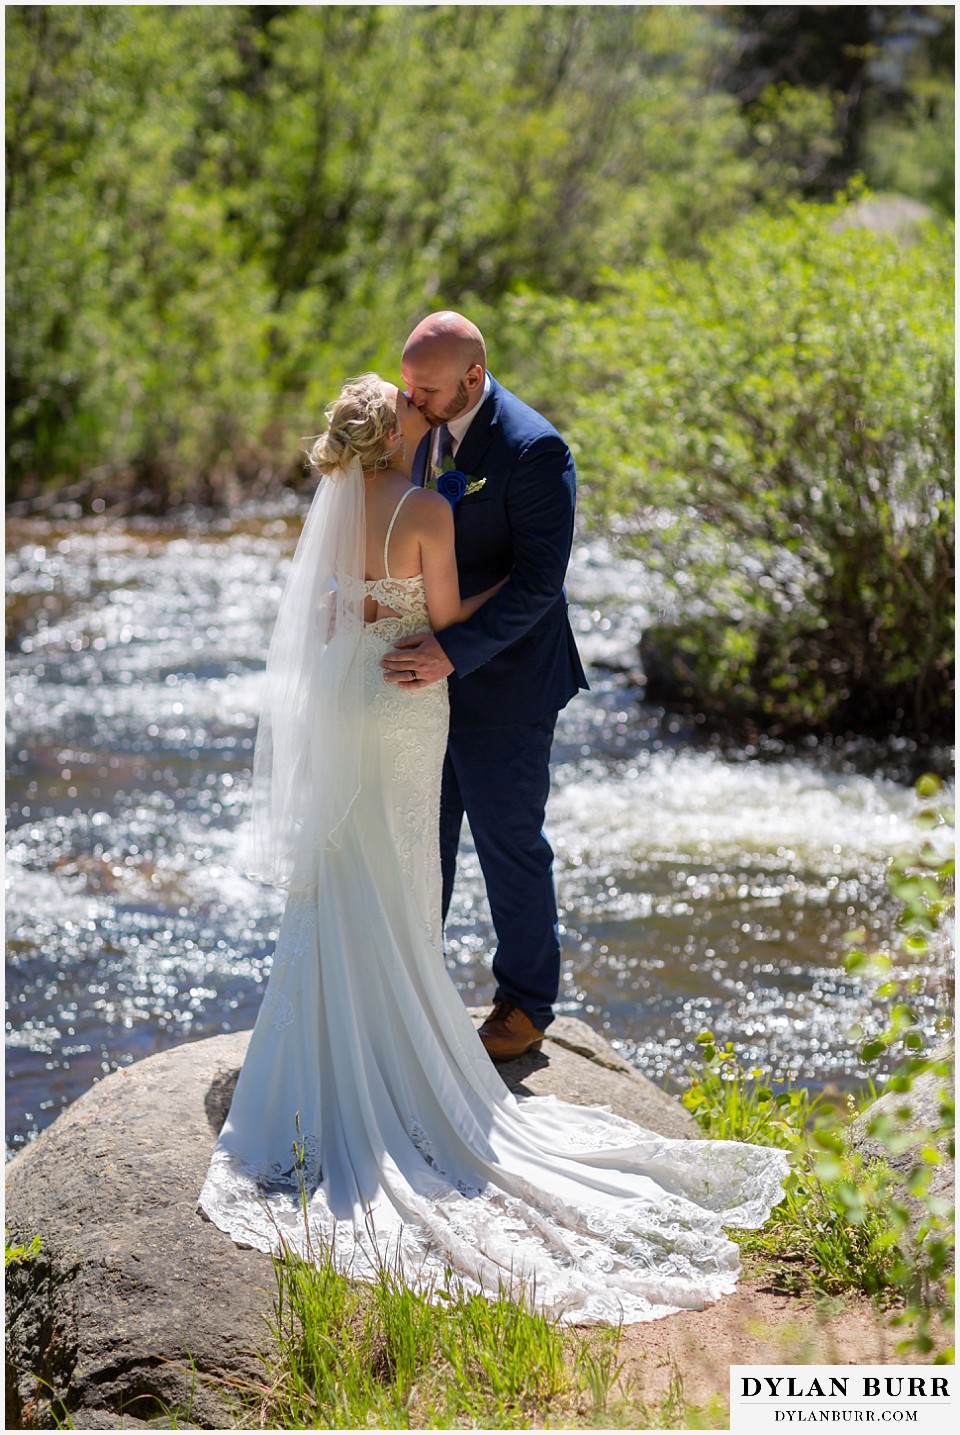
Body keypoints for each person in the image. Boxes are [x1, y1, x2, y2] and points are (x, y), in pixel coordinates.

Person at [199, 373, 788, 1324]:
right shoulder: (425, 504)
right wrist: (503, 588)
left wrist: (367, 619)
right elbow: (442, 616)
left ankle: (340, 1029)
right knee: (403, 854)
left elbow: (319, 617)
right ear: (400, 429)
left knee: (347, 857)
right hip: (407, 697)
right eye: (411, 399)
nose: (427, 407)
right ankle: (408, 1036)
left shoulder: (339, 507)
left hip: (349, 692)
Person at [381, 312, 589, 1062]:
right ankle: (410, 990)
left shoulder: (535, 449)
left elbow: (539, 584)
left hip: (506, 683)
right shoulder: (414, 423)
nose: (413, 397)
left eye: (427, 387)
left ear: (473, 376)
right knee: (418, 842)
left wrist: (450, 650)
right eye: (408, 381)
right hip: (419, 686)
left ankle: (527, 1004)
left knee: (508, 843)